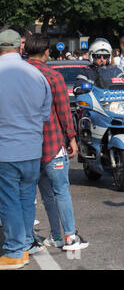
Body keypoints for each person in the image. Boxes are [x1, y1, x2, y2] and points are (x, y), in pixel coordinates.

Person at [25, 33, 89, 252]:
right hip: (52, 143)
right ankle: (69, 236)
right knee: (60, 190)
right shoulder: (53, 76)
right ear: (46, 52)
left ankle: (53, 235)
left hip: (28, 147)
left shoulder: (20, 75)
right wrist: (72, 138)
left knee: (42, 195)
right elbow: (63, 111)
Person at [0, 29, 52, 269]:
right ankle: (23, 246)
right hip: (32, 148)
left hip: (6, 149)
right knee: (25, 199)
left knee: (9, 201)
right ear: (20, 48)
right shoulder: (36, 74)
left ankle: (13, 251)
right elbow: (44, 114)